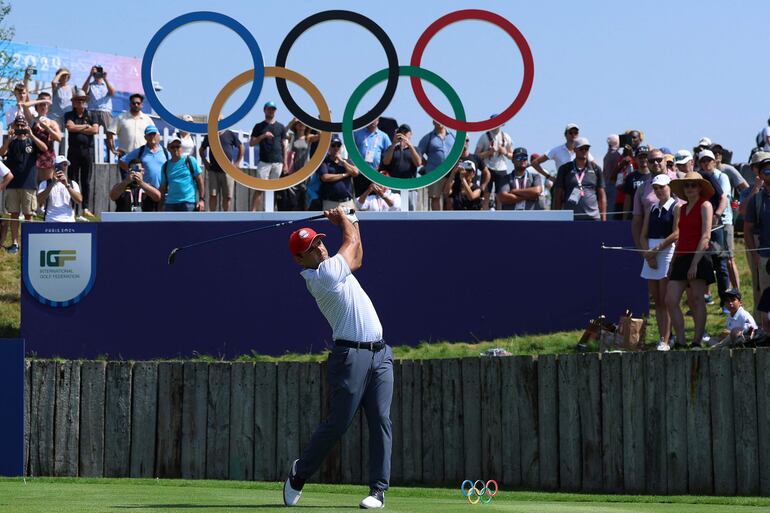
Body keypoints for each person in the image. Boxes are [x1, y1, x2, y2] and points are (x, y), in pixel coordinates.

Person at [283, 207, 393, 510]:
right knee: (339, 422)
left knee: (381, 419)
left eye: (319, 242)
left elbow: (356, 257)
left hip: (380, 353)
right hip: (350, 355)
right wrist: (344, 219)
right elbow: (350, 244)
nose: (319, 248)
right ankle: (299, 474)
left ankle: (378, 491)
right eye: (310, 248)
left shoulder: (335, 267)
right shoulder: (321, 276)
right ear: (300, 259)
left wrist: (353, 221)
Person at [666, 172, 715, 348]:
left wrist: (694, 263)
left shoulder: (706, 205)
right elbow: (681, 236)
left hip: (699, 256)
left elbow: (705, 235)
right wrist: (672, 262)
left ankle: (696, 340)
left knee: (696, 299)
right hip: (680, 256)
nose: (689, 188)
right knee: (670, 300)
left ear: (700, 187)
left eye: (693, 185)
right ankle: (680, 340)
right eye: (686, 185)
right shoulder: (681, 208)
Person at [639, 174, 680, 351]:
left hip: (666, 252)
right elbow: (643, 235)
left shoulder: (676, 207)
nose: (659, 191)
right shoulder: (651, 208)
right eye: (655, 188)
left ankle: (666, 339)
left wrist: (656, 251)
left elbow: (676, 233)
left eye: (661, 187)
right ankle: (662, 337)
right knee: (656, 300)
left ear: (669, 187)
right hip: (651, 253)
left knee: (665, 299)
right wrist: (648, 255)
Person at [0, 115, 45, 253]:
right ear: (14, 126)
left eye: (22, 126)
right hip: (13, 184)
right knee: (14, 214)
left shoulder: (32, 142)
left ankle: (29, 242)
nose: (20, 128)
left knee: (28, 215)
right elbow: (1, 153)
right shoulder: (11, 142)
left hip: (28, 183)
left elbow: (44, 148)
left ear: (26, 126)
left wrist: (31, 135)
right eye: (17, 125)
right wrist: (9, 139)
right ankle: (15, 243)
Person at [697, 150, 730, 308]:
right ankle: (703, 300)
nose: (705, 163)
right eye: (702, 161)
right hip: (698, 226)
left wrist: (716, 214)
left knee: (720, 263)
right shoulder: (695, 177)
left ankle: (725, 301)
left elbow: (723, 197)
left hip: (715, 226)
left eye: (708, 160)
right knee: (703, 264)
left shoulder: (710, 177)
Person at [531, 123, 596, 198]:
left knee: (577, 208)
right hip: (561, 186)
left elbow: (595, 167)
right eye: (571, 133)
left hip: (578, 187)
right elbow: (535, 163)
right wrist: (549, 177)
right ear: (565, 135)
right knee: (560, 208)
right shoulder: (557, 150)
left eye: (576, 133)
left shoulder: (583, 151)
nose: (573, 135)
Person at [631, 148, 678, 250]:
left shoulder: (679, 180)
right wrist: (642, 250)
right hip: (651, 242)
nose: (656, 163)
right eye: (651, 161)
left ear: (665, 161)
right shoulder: (642, 188)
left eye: (659, 160)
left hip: (676, 244)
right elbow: (637, 221)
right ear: (647, 164)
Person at [743, 151, 770, 319]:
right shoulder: (756, 199)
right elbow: (747, 229)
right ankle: (764, 331)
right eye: (766, 171)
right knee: (765, 295)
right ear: (759, 174)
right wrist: (754, 255)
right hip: (765, 256)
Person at [64, 88, 99, 217]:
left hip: (87, 151)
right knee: (73, 179)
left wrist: (78, 128)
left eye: (82, 100)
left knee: (86, 181)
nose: (80, 103)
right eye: (78, 100)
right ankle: (72, 208)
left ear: (85, 102)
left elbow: (95, 130)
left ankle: (85, 208)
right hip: (73, 150)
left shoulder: (91, 115)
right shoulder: (69, 115)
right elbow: (70, 127)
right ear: (74, 102)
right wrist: (85, 126)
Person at [553, 137, 606, 221]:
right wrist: (557, 218)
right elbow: (558, 196)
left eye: (587, 148)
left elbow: (602, 196)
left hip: (593, 218)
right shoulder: (565, 169)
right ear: (575, 150)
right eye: (581, 148)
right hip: (571, 218)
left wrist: (603, 219)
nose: (584, 151)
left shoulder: (596, 168)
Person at [119, 125, 169, 212]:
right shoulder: (140, 151)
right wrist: (132, 172)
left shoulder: (165, 152)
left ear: (158, 136)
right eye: (149, 135)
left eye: (154, 134)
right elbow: (122, 161)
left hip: (164, 192)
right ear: (145, 137)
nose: (152, 137)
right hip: (146, 192)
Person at [249, 101, 287, 211]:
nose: (271, 111)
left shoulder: (281, 127)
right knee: (259, 187)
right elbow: (251, 143)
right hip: (264, 161)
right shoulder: (259, 126)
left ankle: (271, 210)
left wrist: (285, 163)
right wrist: (263, 136)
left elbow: (284, 145)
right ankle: (253, 211)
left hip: (278, 161)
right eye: (269, 109)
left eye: (273, 109)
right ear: (264, 110)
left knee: (274, 189)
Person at [200, 124, 243, 212]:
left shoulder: (230, 134)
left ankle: (226, 216)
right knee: (213, 195)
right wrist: (205, 162)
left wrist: (237, 163)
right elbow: (201, 150)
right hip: (213, 170)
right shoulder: (210, 135)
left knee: (228, 196)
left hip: (228, 171)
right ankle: (212, 216)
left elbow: (241, 147)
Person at [381, 124, 422, 210]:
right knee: (394, 211)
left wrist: (409, 145)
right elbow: (386, 162)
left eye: (405, 132)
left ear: (410, 134)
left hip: (410, 186)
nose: (403, 134)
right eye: (401, 132)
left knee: (411, 211)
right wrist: (393, 143)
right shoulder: (392, 148)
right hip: (394, 186)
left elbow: (418, 163)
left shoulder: (415, 149)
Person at [475, 118, 513, 209]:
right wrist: (488, 153)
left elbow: (512, 156)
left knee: (501, 196)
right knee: (486, 195)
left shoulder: (506, 137)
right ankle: (485, 216)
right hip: (487, 168)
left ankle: (499, 217)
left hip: (501, 169)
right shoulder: (484, 137)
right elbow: (476, 155)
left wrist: (505, 153)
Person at [159, 137, 205, 212]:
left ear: (181, 147)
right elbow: (163, 188)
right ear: (168, 148)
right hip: (170, 204)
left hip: (188, 203)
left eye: (178, 146)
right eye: (172, 147)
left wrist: (202, 200)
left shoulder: (190, 160)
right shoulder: (165, 166)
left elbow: (200, 180)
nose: (175, 149)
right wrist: (161, 205)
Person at [417, 121, 455, 210]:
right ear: (433, 122)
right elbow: (418, 154)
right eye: (436, 120)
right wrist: (427, 164)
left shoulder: (453, 136)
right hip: (434, 173)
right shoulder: (428, 137)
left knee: (450, 197)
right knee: (435, 198)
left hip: (451, 172)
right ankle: (437, 221)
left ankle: (449, 220)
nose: (439, 122)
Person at [36, 156, 82, 222]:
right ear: (54, 167)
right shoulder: (45, 183)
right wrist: (52, 183)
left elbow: (79, 200)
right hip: (51, 220)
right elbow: (40, 201)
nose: (64, 167)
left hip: (68, 221)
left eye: (65, 165)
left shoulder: (72, 183)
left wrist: (67, 186)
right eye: (61, 165)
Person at [353, 117, 391, 196]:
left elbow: (389, 153)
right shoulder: (357, 133)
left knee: (375, 200)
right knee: (360, 200)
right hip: (361, 174)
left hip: (376, 174)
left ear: (378, 121)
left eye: (375, 119)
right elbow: (351, 152)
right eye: (371, 118)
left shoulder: (383, 136)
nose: (373, 121)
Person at [318, 137, 359, 211]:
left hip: (347, 202)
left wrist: (342, 162)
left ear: (341, 147)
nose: (336, 148)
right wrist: (345, 175)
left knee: (349, 222)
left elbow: (355, 172)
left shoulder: (347, 162)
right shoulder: (325, 162)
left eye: (338, 145)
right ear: (329, 148)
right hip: (330, 202)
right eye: (333, 145)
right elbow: (325, 178)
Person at [82, 65, 115, 129]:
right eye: (96, 72)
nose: (97, 74)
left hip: (105, 111)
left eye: (99, 72)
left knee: (108, 133)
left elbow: (112, 93)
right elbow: (83, 92)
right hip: (92, 111)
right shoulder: (90, 84)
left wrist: (105, 78)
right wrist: (90, 75)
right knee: (91, 133)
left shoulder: (107, 84)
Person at [603, 134, 623, 218]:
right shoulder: (616, 155)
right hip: (613, 185)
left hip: (605, 184)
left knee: (607, 209)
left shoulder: (607, 155)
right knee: (611, 210)